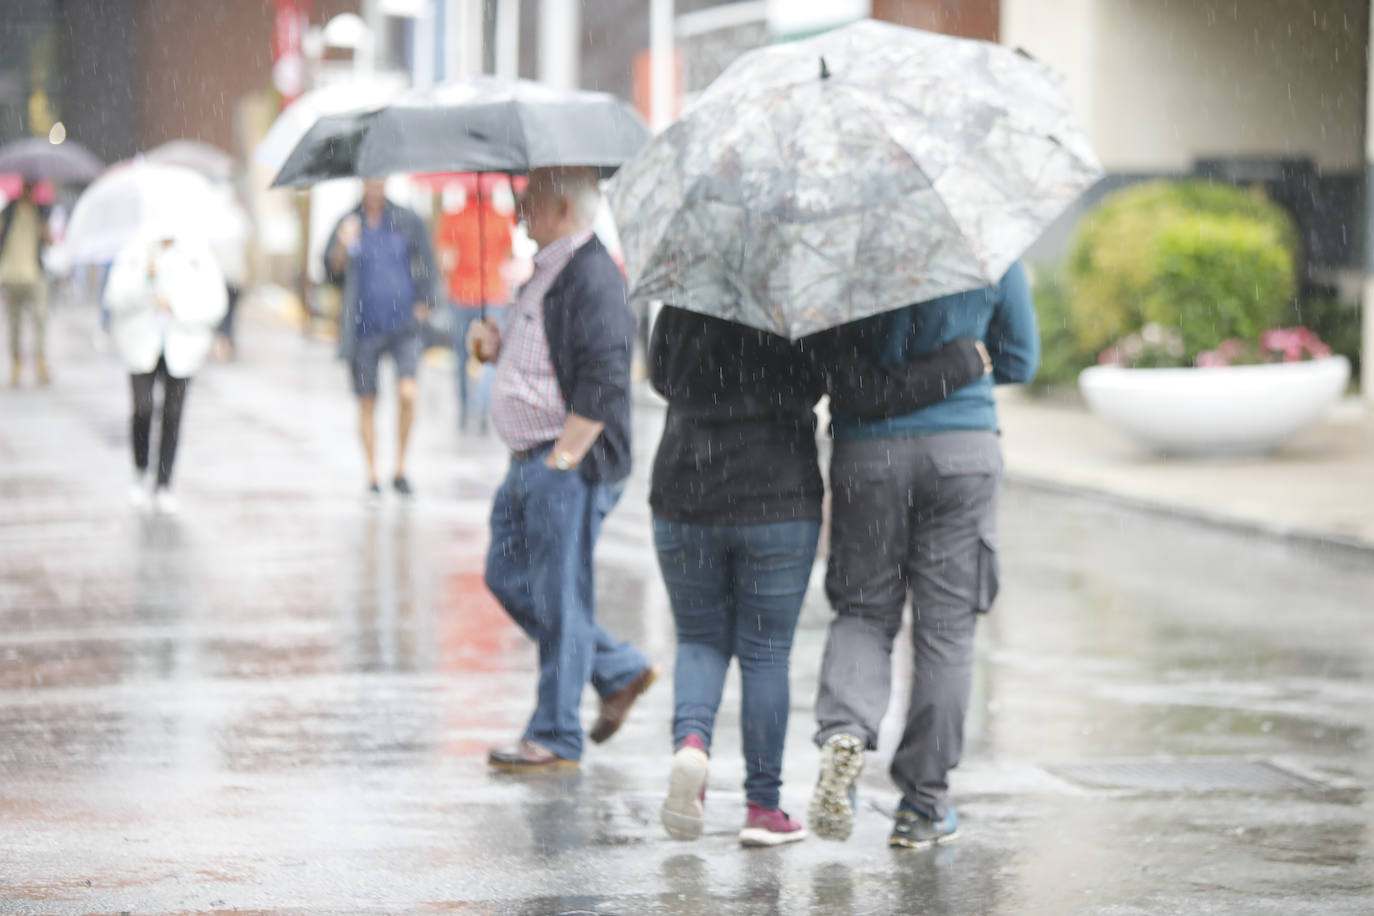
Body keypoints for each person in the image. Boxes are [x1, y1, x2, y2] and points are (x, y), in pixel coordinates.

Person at [649, 306, 991, 847]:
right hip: (776, 491)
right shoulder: (799, 301)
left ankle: (692, 743)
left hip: (685, 483)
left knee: (698, 640)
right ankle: (763, 807)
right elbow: (838, 382)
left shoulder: (688, 286)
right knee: (765, 651)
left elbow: (661, 375)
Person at [808, 262, 1039, 850]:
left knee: (863, 611)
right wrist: (966, 360)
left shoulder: (842, 254)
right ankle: (924, 803)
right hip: (963, 448)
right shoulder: (988, 248)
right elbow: (1020, 358)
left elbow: (832, 370)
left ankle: (846, 731)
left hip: (867, 456)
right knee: (946, 632)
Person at [468, 166, 656, 773]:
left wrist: (563, 460)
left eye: (530, 202)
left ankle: (555, 734)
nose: (520, 213)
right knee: (507, 576)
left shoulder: (593, 275)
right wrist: (498, 349)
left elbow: (604, 376)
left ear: (563, 210)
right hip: (530, 459)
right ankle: (616, 668)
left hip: (561, 461)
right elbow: (551, 355)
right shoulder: (551, 266)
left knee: (559, 595)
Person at [325, 179, 440, 501]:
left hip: (403, 323)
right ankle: (372, 475)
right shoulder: (348, 222)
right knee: (367, 401)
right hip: (363, 326)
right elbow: (331, 273)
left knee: (407, 392)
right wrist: (342, 245)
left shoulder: (406, 219)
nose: (374, 187)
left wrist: (425, 302)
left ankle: (400, 468)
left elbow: (427, 262)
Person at [104, 232, 228, 514]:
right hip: (140, 344)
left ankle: (164, 483)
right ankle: (139, 471)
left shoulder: (197, 252)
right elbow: (114, 297)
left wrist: (177, 306)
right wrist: (145, 282)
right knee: (142, 409)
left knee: (173, 415)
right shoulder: (135, 249)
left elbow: (215, 303)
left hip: (183, 346)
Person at [433, 179, 516, 431]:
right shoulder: (503, 218)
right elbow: (509, 255)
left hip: (461, 292)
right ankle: (481, 409)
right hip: (491, 293)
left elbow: (444, 256)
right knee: (487, 354)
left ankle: (464, 407)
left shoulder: (452, 217)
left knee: (460, 352)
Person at [1, 180, 53, 386]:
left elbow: (48, 241)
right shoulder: (9, 211)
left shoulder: (41, 211)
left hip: (34, 273)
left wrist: (44, 228)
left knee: (39, 319)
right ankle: (16, 362)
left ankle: (40, 360)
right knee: (14, 322)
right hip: (12, 273)